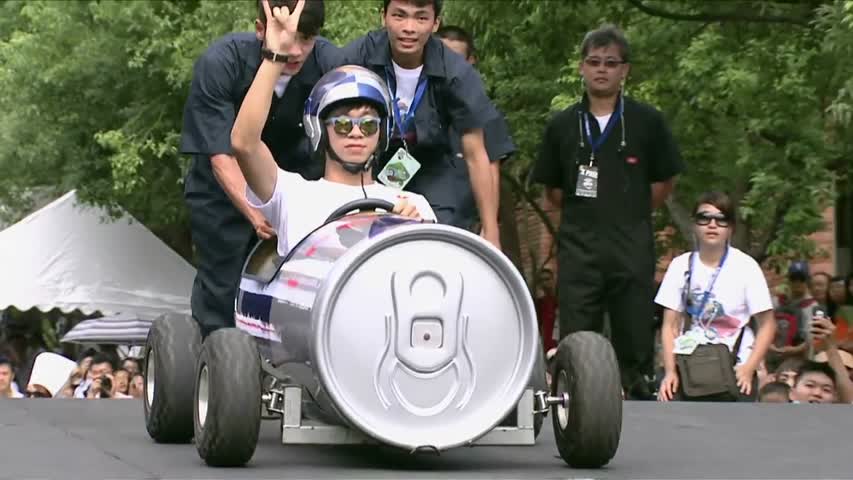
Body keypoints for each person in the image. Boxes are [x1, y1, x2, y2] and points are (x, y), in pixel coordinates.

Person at [530, 25, 684, 398]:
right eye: (594, 62)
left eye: (611, 63)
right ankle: (573, 404)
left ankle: (639, 397)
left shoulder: (647, 121)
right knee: (578, 335)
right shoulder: (563, 125)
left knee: (633, 332)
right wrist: (591, 212)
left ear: (625, 70)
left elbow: (664, 182)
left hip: (631, 245)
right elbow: (552, 191)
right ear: (582, 67)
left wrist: (625, 209)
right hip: (579, 248)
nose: (602, 70)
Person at [180, 0, 342, 337]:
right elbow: (222, 156)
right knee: (224, 290)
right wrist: (258, 214)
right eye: (287, 37)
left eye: (307, 39)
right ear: (260, 29)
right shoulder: (222, 62)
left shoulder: (331, 65)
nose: (295, 51)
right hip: (223, 193)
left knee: (302, 290)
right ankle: (219, 368)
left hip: (297, 190)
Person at [230, 2, 435, 256]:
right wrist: (277, 54)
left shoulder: (413, 206)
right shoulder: (293, 194)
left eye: (369, 124)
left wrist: (413, 232)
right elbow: (244, 143)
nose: (356, 133)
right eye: (343, 123)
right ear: (319, 129)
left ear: (383, 132)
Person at [337, 0, 501, 248]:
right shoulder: (357, 57)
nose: (409, 27)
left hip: (431, 163)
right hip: (367, 162)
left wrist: (491, 231)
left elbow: (476, 153)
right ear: (384, 17)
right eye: (399, 16)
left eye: (421, 18)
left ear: (435, 23)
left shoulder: (456, 71)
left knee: (440, 235)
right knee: (358, 235)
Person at [655, 191, 777, 402]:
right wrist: (670, 371)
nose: (712, 225)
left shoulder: (746, 266)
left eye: (721, 220)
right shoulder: (680, 265)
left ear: (730, 228)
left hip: (735, 365)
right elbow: (669, 325)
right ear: (695, 224)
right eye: (704, 218)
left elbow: (767, 325)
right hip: (689, 364)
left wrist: (749, 368)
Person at [436, 25, 516, 232]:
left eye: (457, 59)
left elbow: (491, 170)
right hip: (411, 222)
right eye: (443, 57)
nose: (449, 66)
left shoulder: (484, 113)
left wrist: (489, 228)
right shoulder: (409, 107)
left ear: (471, 61)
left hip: (464, 227)